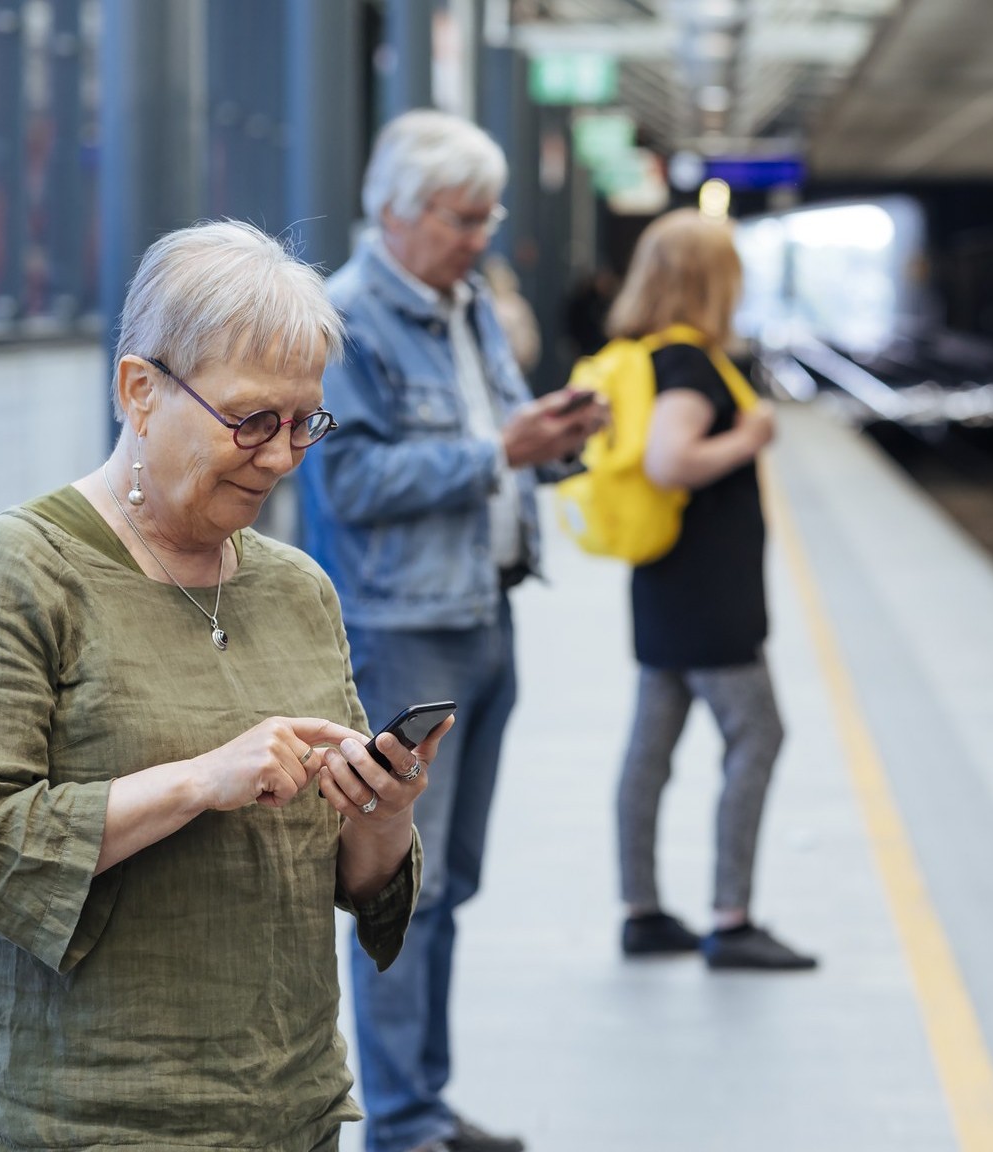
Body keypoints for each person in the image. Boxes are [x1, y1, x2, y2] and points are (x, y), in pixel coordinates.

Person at [0, 220, 443, 1152]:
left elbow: (350, 877)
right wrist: (201, 779)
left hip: (289, 1104)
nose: (278, 456)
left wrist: (383, 812)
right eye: (249, 420)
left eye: (302, 422)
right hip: (92, 1116)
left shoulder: (296, 587)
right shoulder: (24, 569)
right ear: (140, 391)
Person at [299, 109, 607, 1152]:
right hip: (406, 630)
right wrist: (497, 455)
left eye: (489, 216)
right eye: (463, 217)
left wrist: (553, 442)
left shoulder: (464, 306)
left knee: (450, 883)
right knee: (403, 889)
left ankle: (418, 1102)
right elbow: (345, 483)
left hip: (482, 611)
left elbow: (504, 436)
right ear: (395, 209)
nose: (482, 235)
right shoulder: (345, 324)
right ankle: (403, 1121)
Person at [608, 209, 817, 971]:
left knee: (650, 751)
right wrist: (750, 438)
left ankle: (643, 911)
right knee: (759, 735)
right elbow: (671, 460)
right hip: (708, 594)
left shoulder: (649, 355)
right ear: (711, 282)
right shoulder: (691, 365)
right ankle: (731, 920)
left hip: (668, 584)